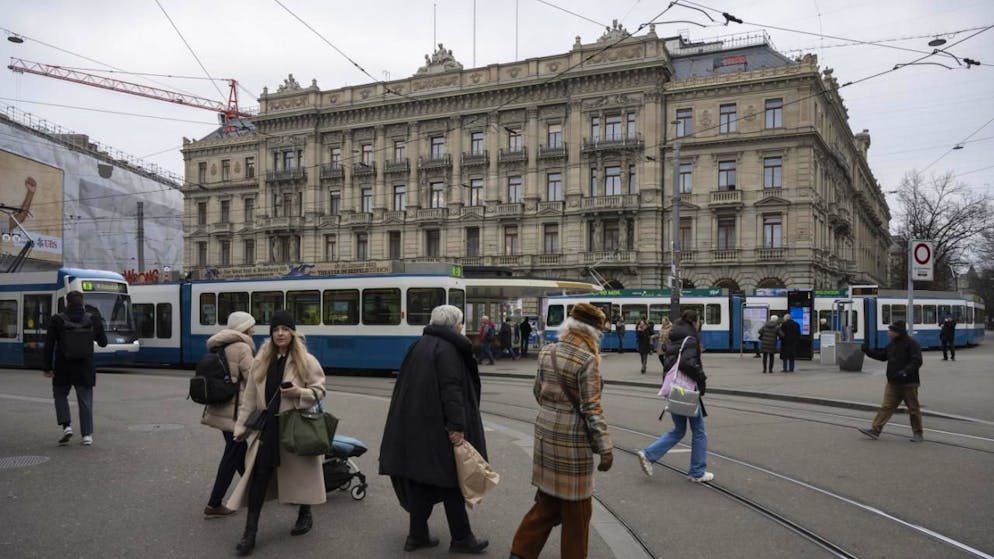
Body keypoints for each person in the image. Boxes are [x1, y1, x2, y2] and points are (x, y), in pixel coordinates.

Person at [380, 305, 489, 554]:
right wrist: (457, 426)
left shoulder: (419, 345)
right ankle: (462, 538)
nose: (461, 327)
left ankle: (417, 535)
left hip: (418, 424)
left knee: (423, 480)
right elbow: (452, 390)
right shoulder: (448, 350)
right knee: (450, 480)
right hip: (439, 426)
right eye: (460, 323)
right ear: (455, 325)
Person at [509, 303, 613, 559]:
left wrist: (554, 411)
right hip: (572, 442)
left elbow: (537, 392)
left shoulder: (548, 351)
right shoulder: (587, 359)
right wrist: (605, 448)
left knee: (548, 503)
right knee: (578, 510)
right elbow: (591, 408)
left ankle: (519, 554)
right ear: (592, 331)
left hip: (545, 434)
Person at [228, 311, 327, 556]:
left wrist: (299, 393)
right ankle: (250, 533)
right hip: (267, 430)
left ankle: (305, 513)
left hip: (293, 426)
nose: (280, 333)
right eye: (275, 330)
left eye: (285, 329)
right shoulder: (261, 361)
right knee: (259, 478)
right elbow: (249, 398)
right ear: (271, 334)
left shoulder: (306, 360)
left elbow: (319, 391)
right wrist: (241, 427)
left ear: (292, 332)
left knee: (300, 475)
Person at [636, 309, 713, 483]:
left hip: (674, 389)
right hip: (687, 391)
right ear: (694, 322)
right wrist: (701, 378)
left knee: (679, 430)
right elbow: (688, 363)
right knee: (699, 432)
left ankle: (648, 454)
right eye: (699, 321)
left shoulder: (675, 338)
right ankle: (697, 471)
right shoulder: (690, 340)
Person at [202, 311, 257, 517]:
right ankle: (214, 504)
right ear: (244, 327)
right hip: (235, 412)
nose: (254, 329)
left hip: (221, 407)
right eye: (251, 325)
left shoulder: (219, 345)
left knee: (238, 451)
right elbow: (253, 379)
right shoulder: (242, 347)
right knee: (232, 454)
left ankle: (256, 490)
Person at [43, 290, 108, 446]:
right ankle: (87, 435)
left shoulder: (57, 320)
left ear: (67, 303)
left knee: (60, 394)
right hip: (85, 367)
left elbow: (49, 345)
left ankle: (66, 426)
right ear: (82, 302)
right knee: (85, 400)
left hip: (63, 366)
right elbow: (103, 343)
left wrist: (47, 367)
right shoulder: (93, 319)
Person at [858, 320, 924, 443]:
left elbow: (917, 361)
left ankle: (918, 433)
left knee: (913, 409)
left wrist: (905, 372)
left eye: (891, 331)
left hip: (909, 383)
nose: (888, 333)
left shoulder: (912, 344)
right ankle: (875, 430)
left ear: (898, 332)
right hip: (893, 382)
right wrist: (868, 351)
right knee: (886, 407)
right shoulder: (892, 344)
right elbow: (883, 356)